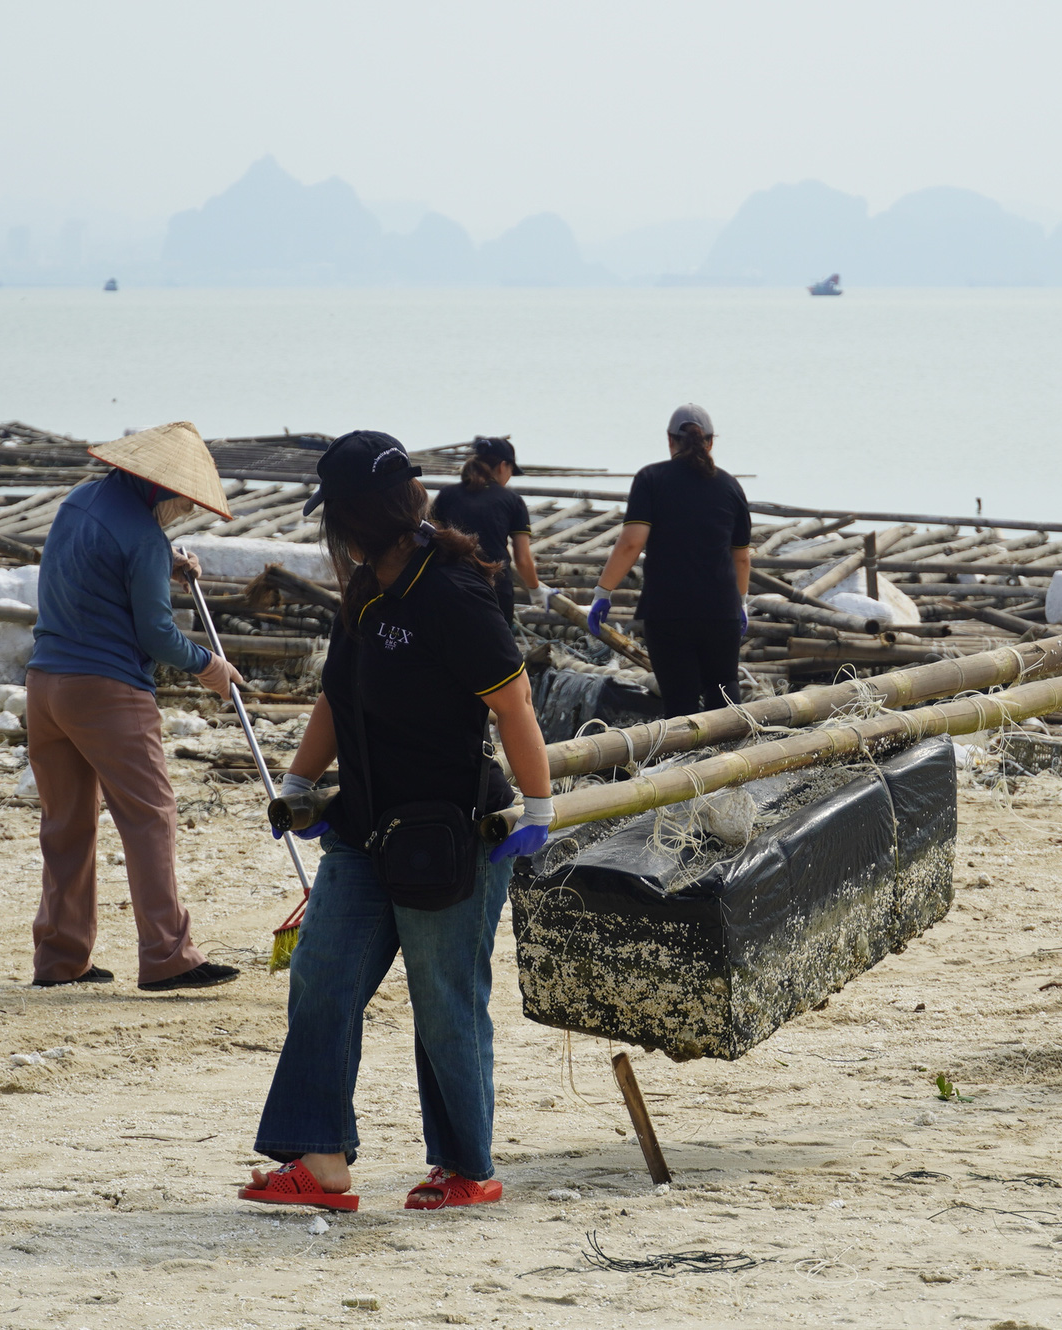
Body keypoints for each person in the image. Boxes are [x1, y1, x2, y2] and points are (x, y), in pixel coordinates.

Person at [241, 430, 554, 1213]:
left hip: (449, 835)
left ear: (351, 519)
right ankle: (320, 1163)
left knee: (443, 997)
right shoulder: (366, 593)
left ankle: (466, 1167)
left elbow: (511, 702)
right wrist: (299, 782)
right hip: (363, 826)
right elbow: (335, 702)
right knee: (322, 976)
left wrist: (539, 807)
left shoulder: (451, 591)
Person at [24, 420, 246, 991]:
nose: (179, 511)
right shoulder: (145, 538)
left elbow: (92, 570)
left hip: (46, 685)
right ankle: (169, 956)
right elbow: (156, 635)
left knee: (66, 824)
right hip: (107, 691)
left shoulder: (79, 502)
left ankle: (60, 957)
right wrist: (211, 668)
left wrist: (163, 565)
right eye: (180, 502)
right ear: (160, 488)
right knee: (150, 817)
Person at [586, 404, 751, 718]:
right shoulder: (731, 487)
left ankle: (687, 767)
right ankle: (733, 762)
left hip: (668, 612)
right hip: (721, 613)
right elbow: (741, 557)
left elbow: (631, 543)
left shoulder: (651, 479)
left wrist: (603, 593)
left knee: (680, 703)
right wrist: (741, 602)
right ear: (711, 441)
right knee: (725, 695)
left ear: (670, 440)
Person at [429, 435, 545, 622]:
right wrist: (535, 589)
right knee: (496, 649)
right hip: (495, 590)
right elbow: (522, 559)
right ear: (503, 466)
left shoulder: (446, 495)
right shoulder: (512, 500)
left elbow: (431, 540)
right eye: (511, 470)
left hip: (449, 585)